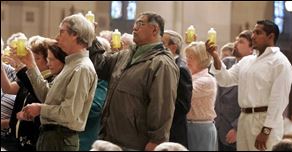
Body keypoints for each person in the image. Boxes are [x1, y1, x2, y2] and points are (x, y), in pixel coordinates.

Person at [89, 12, 179, 151]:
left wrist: (157, 140)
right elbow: (101, 66)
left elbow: (162, 105)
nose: (134, 28)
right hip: (111, 136)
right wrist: (91, 38)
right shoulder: (126, 55)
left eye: (140, 24)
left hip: (135, 142)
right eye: (135, 24)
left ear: (154, 30)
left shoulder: (161, 63)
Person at [207, 20, 292, 151]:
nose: (253, 36)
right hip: (244, 120)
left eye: (258, 33)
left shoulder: (280, 62)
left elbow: (279, 100)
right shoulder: (248, 60)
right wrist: (215, 56)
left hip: (264, 121)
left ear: (271, 37)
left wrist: (266, 131)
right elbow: (226, 79)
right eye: (253, 32)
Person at [18, 13, 97, 151]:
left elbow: (69, 114)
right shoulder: (71, 64)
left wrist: (40, 109)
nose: (57, 36)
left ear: (75, 34)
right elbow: (47, 96)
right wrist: (31, 65)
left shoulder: (81, 68)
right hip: (52, 137)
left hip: (61, 139)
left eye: (62, 31)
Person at [214, 30, 254, 151]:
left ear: (251, 48)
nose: (235, 43)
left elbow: (252, 101)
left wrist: (237, 128)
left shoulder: (253, 68)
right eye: (236, 40)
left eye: (241, 42)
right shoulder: (227, 62)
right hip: (218, 124)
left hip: (235, 126)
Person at [184, 41, 217, 151]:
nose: (187, 61)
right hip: (189, 125)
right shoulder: (190, 77)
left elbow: (184, 93)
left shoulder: (207, 80)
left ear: (201, 59)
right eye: (187, 57)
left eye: (191, 57)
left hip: (200, 127)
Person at [162, 30, 192, 148]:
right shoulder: (164, 64)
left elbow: (183, 105)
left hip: (173, 129)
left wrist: (163, 118)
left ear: (173, 47)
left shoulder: (181, 69)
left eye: (162, 43)